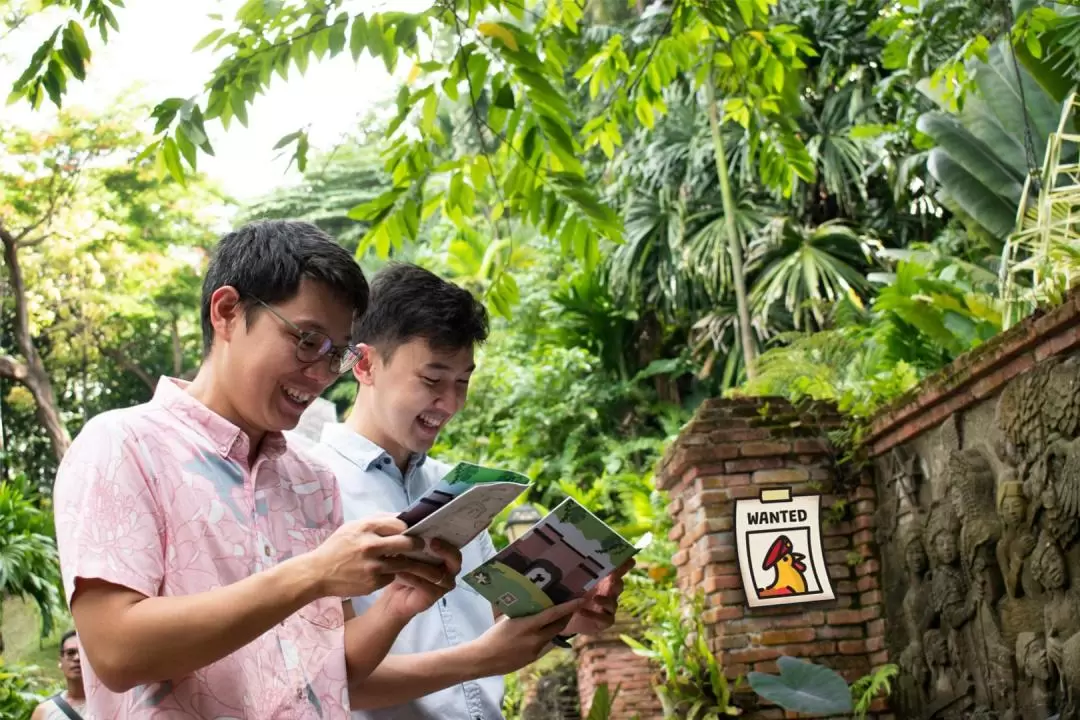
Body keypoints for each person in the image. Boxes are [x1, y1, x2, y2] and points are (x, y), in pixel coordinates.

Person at [53, 221, 462, 719]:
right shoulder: (123, 445)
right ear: (227, 312)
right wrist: (313, 574)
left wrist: (401, 602)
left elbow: (331, 671)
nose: (319, 375)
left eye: (336, 353)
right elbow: (117, 650)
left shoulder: (312, 480)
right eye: (307, 340)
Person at [315, 263, 630, 719]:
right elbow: (328, 676)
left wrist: (568, 612)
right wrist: (479, 659)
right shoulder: (307, 486)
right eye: (432, 380)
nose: (450, 403)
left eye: (463, 381)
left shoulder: (460, 487)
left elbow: (487, 619)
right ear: (364, 364)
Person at [31, 631, 86, 720]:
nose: (77, 658)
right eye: (70, 653)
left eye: (83, 652)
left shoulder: (109, 705)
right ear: (60, 662)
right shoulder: (44, 712)